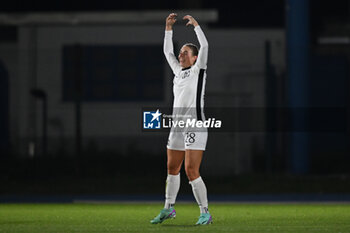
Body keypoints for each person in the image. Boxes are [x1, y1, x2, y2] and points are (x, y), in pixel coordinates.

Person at [150, 13, 212, 225]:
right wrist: (168, 29)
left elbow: (205, 46)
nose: (180, 55)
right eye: (181, 52)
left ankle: (205, 212)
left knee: (191, 170)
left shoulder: (198, 70)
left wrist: (196, 26)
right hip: (177, 127)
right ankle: (168, 209)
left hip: (195, 124)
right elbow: (167, 51)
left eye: (185, 52)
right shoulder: (178, 72)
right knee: (171, 168)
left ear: (195, 58)